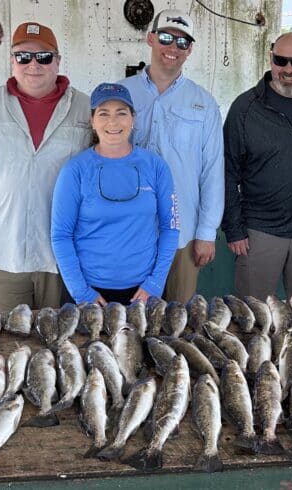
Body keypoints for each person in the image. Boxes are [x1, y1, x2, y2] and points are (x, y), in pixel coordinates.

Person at [0, 22, 91, 313]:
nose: (33, 65)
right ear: (12, 61)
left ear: (58, 61)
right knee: (3, 345)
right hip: (4, 256)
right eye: (23, 56)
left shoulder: (87, 109)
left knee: (67, 346)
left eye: (44, 57)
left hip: (68, 260)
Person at [118, 9, 223, 303]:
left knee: (179, 318)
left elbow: (213, 171)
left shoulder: (205, 103)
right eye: (166, 37)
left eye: (182, 42)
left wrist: (207, 232)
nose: (173, 47)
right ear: (151, 39)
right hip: (129, 231)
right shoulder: (120, 95)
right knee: (131, 321)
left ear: (190, 50)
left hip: (183, 235)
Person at [50, 83, 179, 305]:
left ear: (133, 118)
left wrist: (155, 283)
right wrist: (82, 292)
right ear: (92, 120)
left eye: (121, 113)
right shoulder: (75, 171)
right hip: (91, 293)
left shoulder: (156, 166)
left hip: (144, 292)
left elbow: (171, 227)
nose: (113, 122)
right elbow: (61, 235)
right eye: (103, 114)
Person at [222, 32, 292, 300]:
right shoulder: (244, 108)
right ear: (270, 60)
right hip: (259, 233)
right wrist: (234, 229)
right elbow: (227, 172)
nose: (289, 69)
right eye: (281, 60)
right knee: (254, 320)